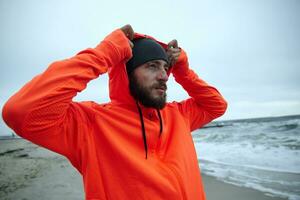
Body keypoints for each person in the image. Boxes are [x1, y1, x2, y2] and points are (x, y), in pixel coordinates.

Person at [2, 24, 227, 200]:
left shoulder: (178, 115)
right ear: (126, 73)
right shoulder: (91, 124)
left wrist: (184, 71)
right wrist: (104, 54)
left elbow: (217, 104)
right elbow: (20, 112)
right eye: (151, 66)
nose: (164, 76)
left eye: (165, 67)